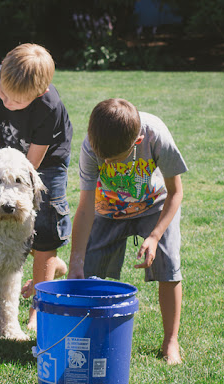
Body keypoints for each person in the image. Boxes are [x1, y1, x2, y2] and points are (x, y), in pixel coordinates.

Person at [0, 43, 71, 331]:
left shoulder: (48, 106)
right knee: (3, 217)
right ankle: (48, 267)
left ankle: (37, 310)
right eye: (3, 95)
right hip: (11, 156)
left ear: (39, 93)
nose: (6, 102)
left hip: (42, 163)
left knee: (41, 227)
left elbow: (28, 171)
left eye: (16, 102)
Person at [68, 98, 187, 365]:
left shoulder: (155, 134)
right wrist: (77, 259)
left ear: (137, 142)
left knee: (168, 266)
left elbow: (176, 192)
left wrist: (155, 236)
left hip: (155, 205)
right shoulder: (91, 145)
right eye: (104, 159)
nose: (107, 161)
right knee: (90, 273)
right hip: (107, 210)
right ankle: (90, 336)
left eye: (114, 159)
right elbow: (85, 207)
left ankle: (171, 340)